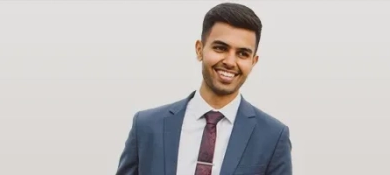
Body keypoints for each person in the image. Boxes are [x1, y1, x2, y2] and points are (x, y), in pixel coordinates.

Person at [116, 2, 292, 175]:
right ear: (200, 50)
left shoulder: (273, 138)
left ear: (253, 62)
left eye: (242, 54)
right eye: (220, 48)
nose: (230, 62)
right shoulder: (146, 127)